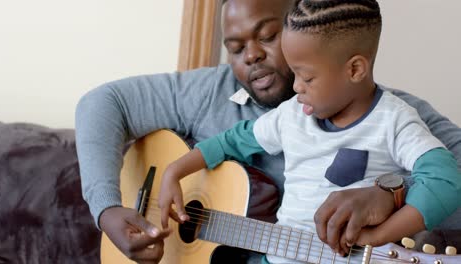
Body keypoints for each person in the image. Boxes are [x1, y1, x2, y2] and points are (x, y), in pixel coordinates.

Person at [75, 0, 461, 262]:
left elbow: (448, 176)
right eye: (235, 46)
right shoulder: (217, 90)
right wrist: (107, 209)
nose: (251, 55)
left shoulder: (393, 114)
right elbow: (103, 104)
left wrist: (390, 193)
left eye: (266, 36)